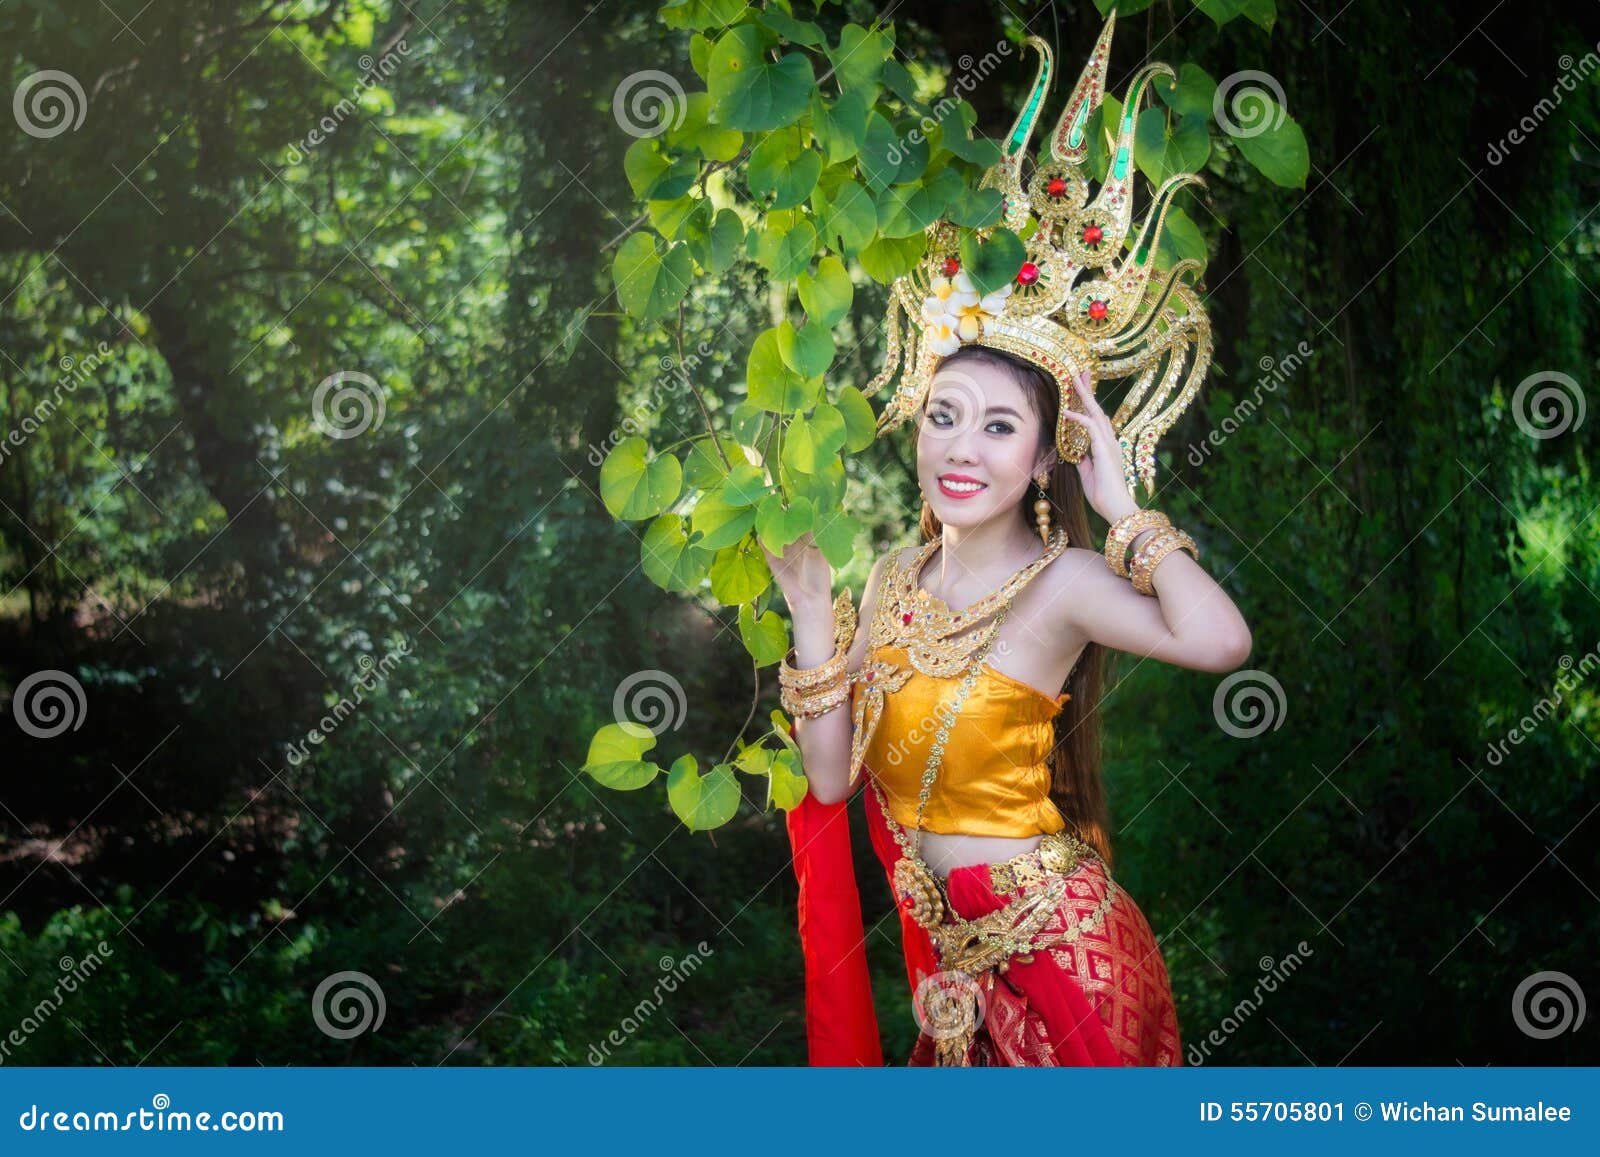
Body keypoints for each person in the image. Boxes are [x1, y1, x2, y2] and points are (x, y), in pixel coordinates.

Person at [758, 16, 1253, 1066]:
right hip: (955, 968)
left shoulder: (1063, 582)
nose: (960, 448)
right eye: (943, 415)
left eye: (997, 426)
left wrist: (1124, 512)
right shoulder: (891, 573)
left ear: (1042, 459)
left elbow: (1219, 644)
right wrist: (810, 613)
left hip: (1069, 956)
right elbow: (835, 781)